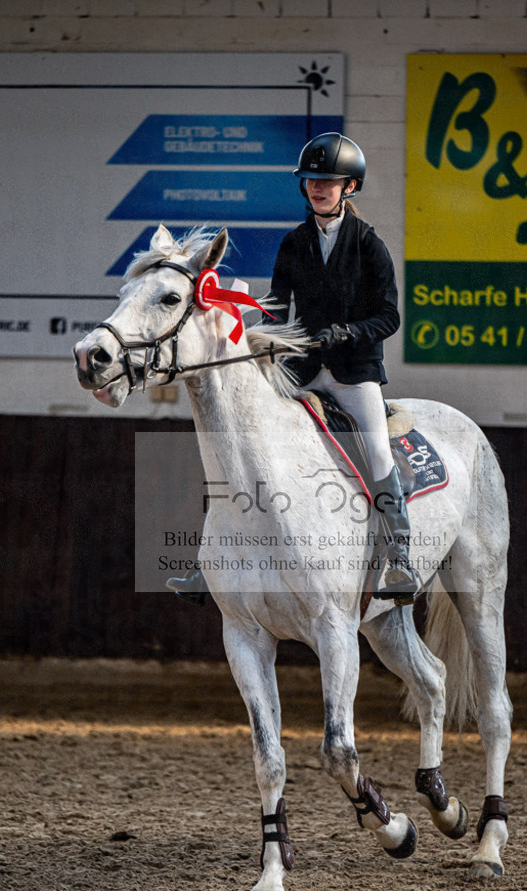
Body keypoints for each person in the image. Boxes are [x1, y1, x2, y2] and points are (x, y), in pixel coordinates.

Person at [168, 132, 418, 603]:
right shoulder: (293, 243)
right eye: (311, 182)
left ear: (350, 187)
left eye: (329, 182)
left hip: (353, 373)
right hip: (300, 370)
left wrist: (344, 333)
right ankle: (209, 561)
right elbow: (278, 309)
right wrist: (255, 331)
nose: (318, 189)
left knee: (378, 451)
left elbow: (390, 316)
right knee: (241, 443)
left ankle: (399, 558)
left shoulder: (370, 246)